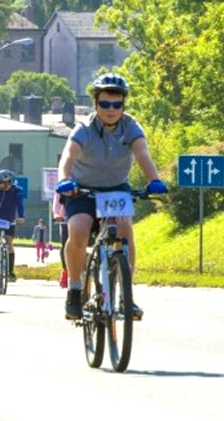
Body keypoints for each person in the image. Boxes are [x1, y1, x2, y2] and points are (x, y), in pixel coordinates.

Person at [56, 72, 168, 321]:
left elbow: (142, 154)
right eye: (105, 104)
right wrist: (64, 180)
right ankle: (75, 289)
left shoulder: (131, 126)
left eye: (116, 104)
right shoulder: (84, 128)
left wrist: (154, 180)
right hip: (82, 190)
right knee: (79, 229)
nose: (111, 109)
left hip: (116, 189)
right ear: (96, 104)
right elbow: (68, 157)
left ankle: (125, 296)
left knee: (125, 228)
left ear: (123, 106)